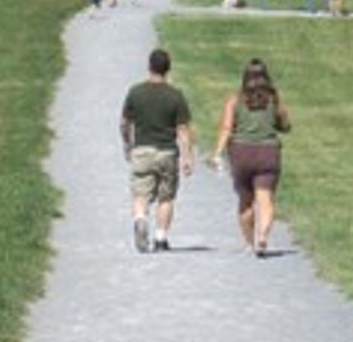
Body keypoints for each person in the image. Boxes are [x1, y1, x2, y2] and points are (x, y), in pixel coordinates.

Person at [209, 58, 291, 256]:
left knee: (245, 200)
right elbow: (286, 125)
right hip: (268, 152)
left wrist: (217, 152)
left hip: (241, 153)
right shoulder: (273, 99)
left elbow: (227, 128)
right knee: (265, 198)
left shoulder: (235, 100)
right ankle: (263, 237)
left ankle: (249, 243)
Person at [120, 47, 194, 252]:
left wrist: (127, 142)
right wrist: (187, 157)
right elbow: (183, 129)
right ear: (167, 69)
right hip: (167, 152)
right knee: (166, 196)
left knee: (140, 194)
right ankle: (161, 238)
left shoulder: (135, 92)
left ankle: (141, 219)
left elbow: (125, 123)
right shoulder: (175, 96)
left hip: (142, 150)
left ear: (149, 67)